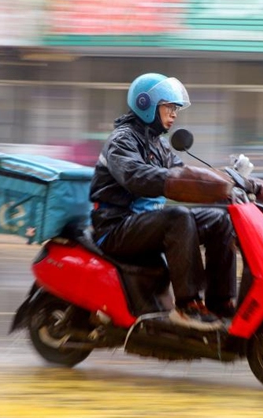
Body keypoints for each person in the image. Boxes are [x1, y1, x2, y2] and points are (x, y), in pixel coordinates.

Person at [89, 73, 236, 331]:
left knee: (219, 219)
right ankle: (187, 305)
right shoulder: (122, 140)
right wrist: (176, 180)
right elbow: (135, 176)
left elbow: (183, 174)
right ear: (146, 105)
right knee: (177, 217)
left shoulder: (159, 144)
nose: (174, 114)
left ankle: (220, 301)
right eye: (169, 107)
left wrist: (225, 182)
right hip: (115, 227)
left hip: (143, 223)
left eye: (176, 108)